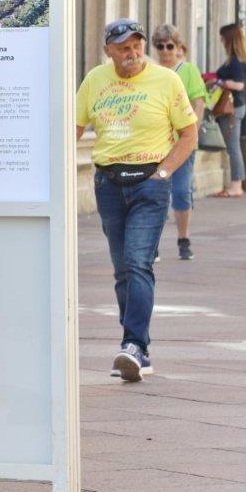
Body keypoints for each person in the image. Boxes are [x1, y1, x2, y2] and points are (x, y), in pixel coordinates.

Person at [76, 19, 197, 383]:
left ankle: (134, 346)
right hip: (109, 182)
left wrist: (163, 173)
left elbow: (189, 133)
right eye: (124, 47)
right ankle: (138, 348)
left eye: (136, 45)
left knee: (137, 262)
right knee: (121, 268)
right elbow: (74, 126)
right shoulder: (95, 80)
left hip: (149, 182)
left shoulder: (166, 80)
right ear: (108, 51)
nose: (132, 53)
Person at [150, 24, 207, 261]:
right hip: (156, 146)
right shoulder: (150, 72)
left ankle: (184, 239)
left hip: (182, 146)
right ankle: (153, 244)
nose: (165, 51)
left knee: (182, 191)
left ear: (178, 47)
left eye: (169, 46)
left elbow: (199, 102)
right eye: (160, 46)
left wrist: (191, 132)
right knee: (156, 193)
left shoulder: (188, 71)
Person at [212, 23, 246, 198]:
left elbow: (239, 84)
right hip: (237, 107)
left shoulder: (235, 61)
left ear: (229, 39)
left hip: (233, 108)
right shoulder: (237, 59)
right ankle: (236, 184)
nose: (221, 41)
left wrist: (222, 82)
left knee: (233, 147)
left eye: (222, 38)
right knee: (233, 147)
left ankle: (236, 186)